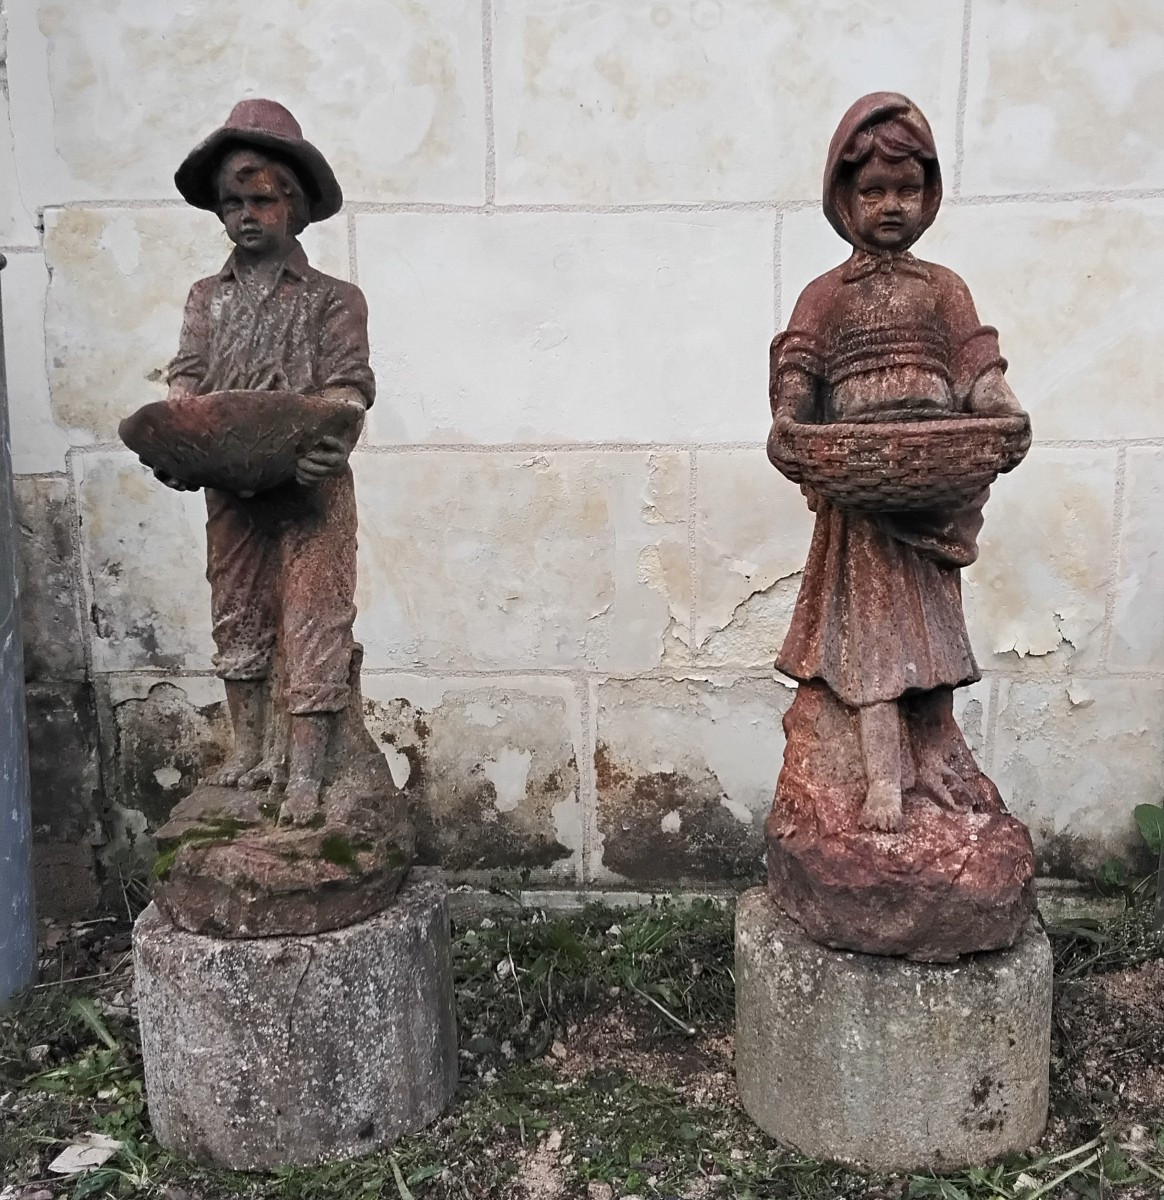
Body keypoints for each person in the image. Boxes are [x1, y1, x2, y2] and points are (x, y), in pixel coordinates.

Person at [768, 93, 1027, 833]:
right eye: (873, 190)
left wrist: (1003, 409)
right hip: (861, 499)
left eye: (906, 190)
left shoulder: (943, 288)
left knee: (937, 647)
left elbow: (980, 370)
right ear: (843, 197)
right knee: (876, 649)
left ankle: (934, 765)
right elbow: (800, 377)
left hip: (931, 492)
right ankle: (882, 777)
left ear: (929, 195)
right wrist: (789, 423)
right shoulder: (825, 295)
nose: (890, 205)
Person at [160, 99, 375, 825]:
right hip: (230, 485)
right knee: (237, 615)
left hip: (309, 488)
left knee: (315, 622)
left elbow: (350, 385)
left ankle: (309, 771)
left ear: (294, 204)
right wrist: (178, 438)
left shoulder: (333, 300)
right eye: (231, 203)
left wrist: (329, 437)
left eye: (260, 199)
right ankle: (249, 753)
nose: (244, 216)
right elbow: (187, 377)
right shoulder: (205, 300)